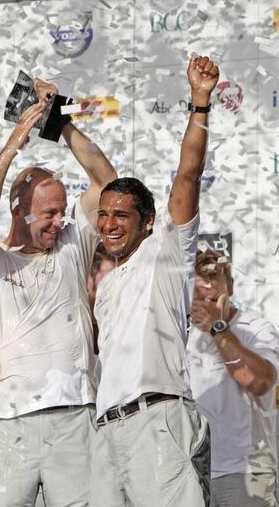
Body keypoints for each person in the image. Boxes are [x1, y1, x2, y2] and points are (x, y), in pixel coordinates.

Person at [0, 76, 117, 506]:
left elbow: (107, 182)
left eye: (63, 211)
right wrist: (13, 145)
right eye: (48, 213)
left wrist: (57, 120)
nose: (59, 221)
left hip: (76, 421)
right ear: (19, 212)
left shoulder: (71, 246)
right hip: (9, 426)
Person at [90, 55, 220, 507]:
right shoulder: (104, 284)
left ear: (147, 222)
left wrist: (199, 102)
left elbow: (188, 171)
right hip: (106, 432)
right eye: (103, 214)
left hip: (159, 421)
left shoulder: (168, 251)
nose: (108, 223)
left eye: (120, 215)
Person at [0, 249, 117, 506]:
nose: (107, 294)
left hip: (78, 462)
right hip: (5, 464)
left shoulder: (110, 333)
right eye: (104, 283)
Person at [187, 248, 279, 507]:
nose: (200, 292)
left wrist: (218, 328)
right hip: (188, 476)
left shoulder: (256, 328)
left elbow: (259, 382)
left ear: (229, 285)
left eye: (209, 281)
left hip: (243, 472)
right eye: (192, 284)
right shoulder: (176, 336)